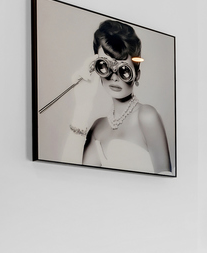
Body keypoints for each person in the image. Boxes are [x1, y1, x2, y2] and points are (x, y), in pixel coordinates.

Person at [60, 20, 171, 174]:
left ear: (136, 75)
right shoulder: (97, 127)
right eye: (104, 66)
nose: (114, 77)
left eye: (124, 70)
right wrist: (82, 107)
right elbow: (70, 177)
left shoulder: (146, 116)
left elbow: (165, 180)